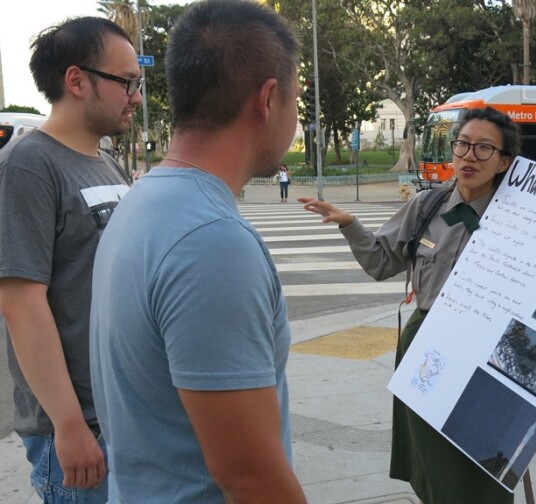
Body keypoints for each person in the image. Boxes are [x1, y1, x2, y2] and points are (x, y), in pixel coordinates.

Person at [299, 106, 536, 504]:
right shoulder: (425, 207)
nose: (468, 156)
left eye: (483, 148)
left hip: (492, 356)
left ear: (504, 161)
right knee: (435, 470)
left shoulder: (529, 220)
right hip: (427, 350)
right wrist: (349, 224)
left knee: (484, 471)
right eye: (462, 144)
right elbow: (380, 262)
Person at [89, 1, 307, 503]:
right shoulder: (212, 241)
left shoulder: (142, 200)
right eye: (297, 100)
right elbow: (249, 478)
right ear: (268, 98)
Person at [0, 17, 139, 503]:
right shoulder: (28, 166)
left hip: (119, 411)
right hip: (78, 427)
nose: (136, 97)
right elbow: (21, 305)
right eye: (126, 82)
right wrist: (68, 424)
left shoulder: (106, 162)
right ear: (76, 80)